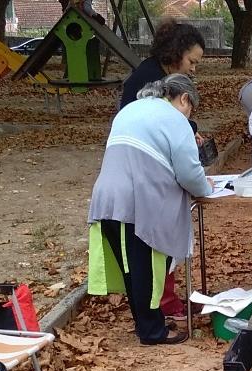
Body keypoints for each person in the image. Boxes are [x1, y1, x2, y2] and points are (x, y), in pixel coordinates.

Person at [87, 75, 212, 345]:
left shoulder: (130, 109)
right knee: (142, 269)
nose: (189, 115)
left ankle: (148, 324)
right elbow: (189, 172)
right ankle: (152, 331)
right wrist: (207, 188)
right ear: (184, 99)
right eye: (191, 109)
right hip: (137, 203)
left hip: (109, 197)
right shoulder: (175, 118)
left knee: (133, 270)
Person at [117, 20, 206, 321]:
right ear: (176, 52)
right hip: (142, 177)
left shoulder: (162, 76)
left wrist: (188, 129)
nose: (194, 68)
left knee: (158, 245)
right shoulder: (149, 79)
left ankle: (164, 300)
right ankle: (162, 305)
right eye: (192, 61)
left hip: (145, 174)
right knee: (153, 245)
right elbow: (156, 125)